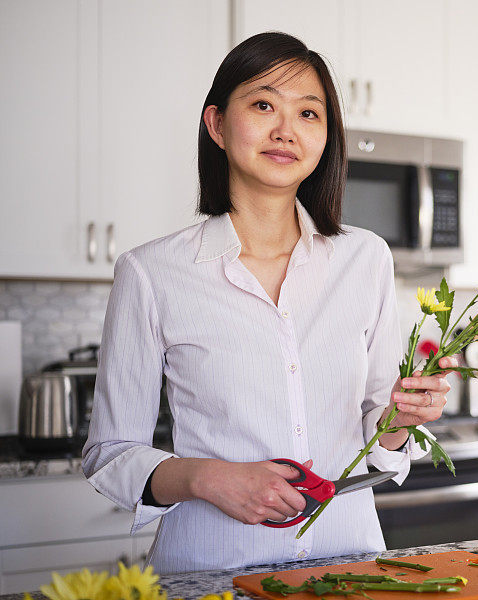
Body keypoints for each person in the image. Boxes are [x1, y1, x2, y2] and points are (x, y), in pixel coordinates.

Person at [82, 32, 456, 574]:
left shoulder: (366, 259)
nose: (286, 131)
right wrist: (207, 478)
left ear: (327, 136)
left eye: (309, 113)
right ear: (216, 125)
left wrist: (399, 420)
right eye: (263, 105)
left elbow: (380, 431)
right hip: (209, 572)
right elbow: (110, 454)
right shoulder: (151, 274)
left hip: (348, 568)